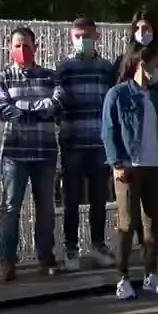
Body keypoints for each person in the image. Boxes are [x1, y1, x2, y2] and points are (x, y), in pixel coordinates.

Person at [0, 26, 63, 281]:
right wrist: (36, 109)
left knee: (45, 208)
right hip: (14, 154)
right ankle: (7, 261)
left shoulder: (50, 77)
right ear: (10, 48)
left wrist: (22, 107)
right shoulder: (2, 78)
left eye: (26, 45)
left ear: (36, 47)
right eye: (17, 45)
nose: (22, 50)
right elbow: (2, 108)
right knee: (10, 208)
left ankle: (46, 257)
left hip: (44, 153)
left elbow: (58, 104)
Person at [101, 46, 158, 300]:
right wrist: (116, 163)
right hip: (129, 167)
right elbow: (108, 131)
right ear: (142, 64)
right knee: (127, 223)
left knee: (152, 222)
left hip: (156, 166)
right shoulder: (118, 94)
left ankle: (151, 274)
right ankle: (122, 279)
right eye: (156, 64)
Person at [116, 11, 158, 263]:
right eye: (139, 29)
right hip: (132, 156)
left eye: (148, 29)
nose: (143, 34)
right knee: (130, 214)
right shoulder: (121, 76)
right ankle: (128, 266)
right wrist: (116, 161)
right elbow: (113, 120)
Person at [55, 18, 117, 272]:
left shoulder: (106, 68)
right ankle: (71, 248)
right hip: (73, 143)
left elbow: (112, 103)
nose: (82, 41)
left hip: (99, 143)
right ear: (71, 38)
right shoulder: (64, 68)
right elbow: (56, 102)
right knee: (71, 199)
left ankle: (98, 245)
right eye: (78, 36)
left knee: (99, 198)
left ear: (97, 36)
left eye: (87, 36)